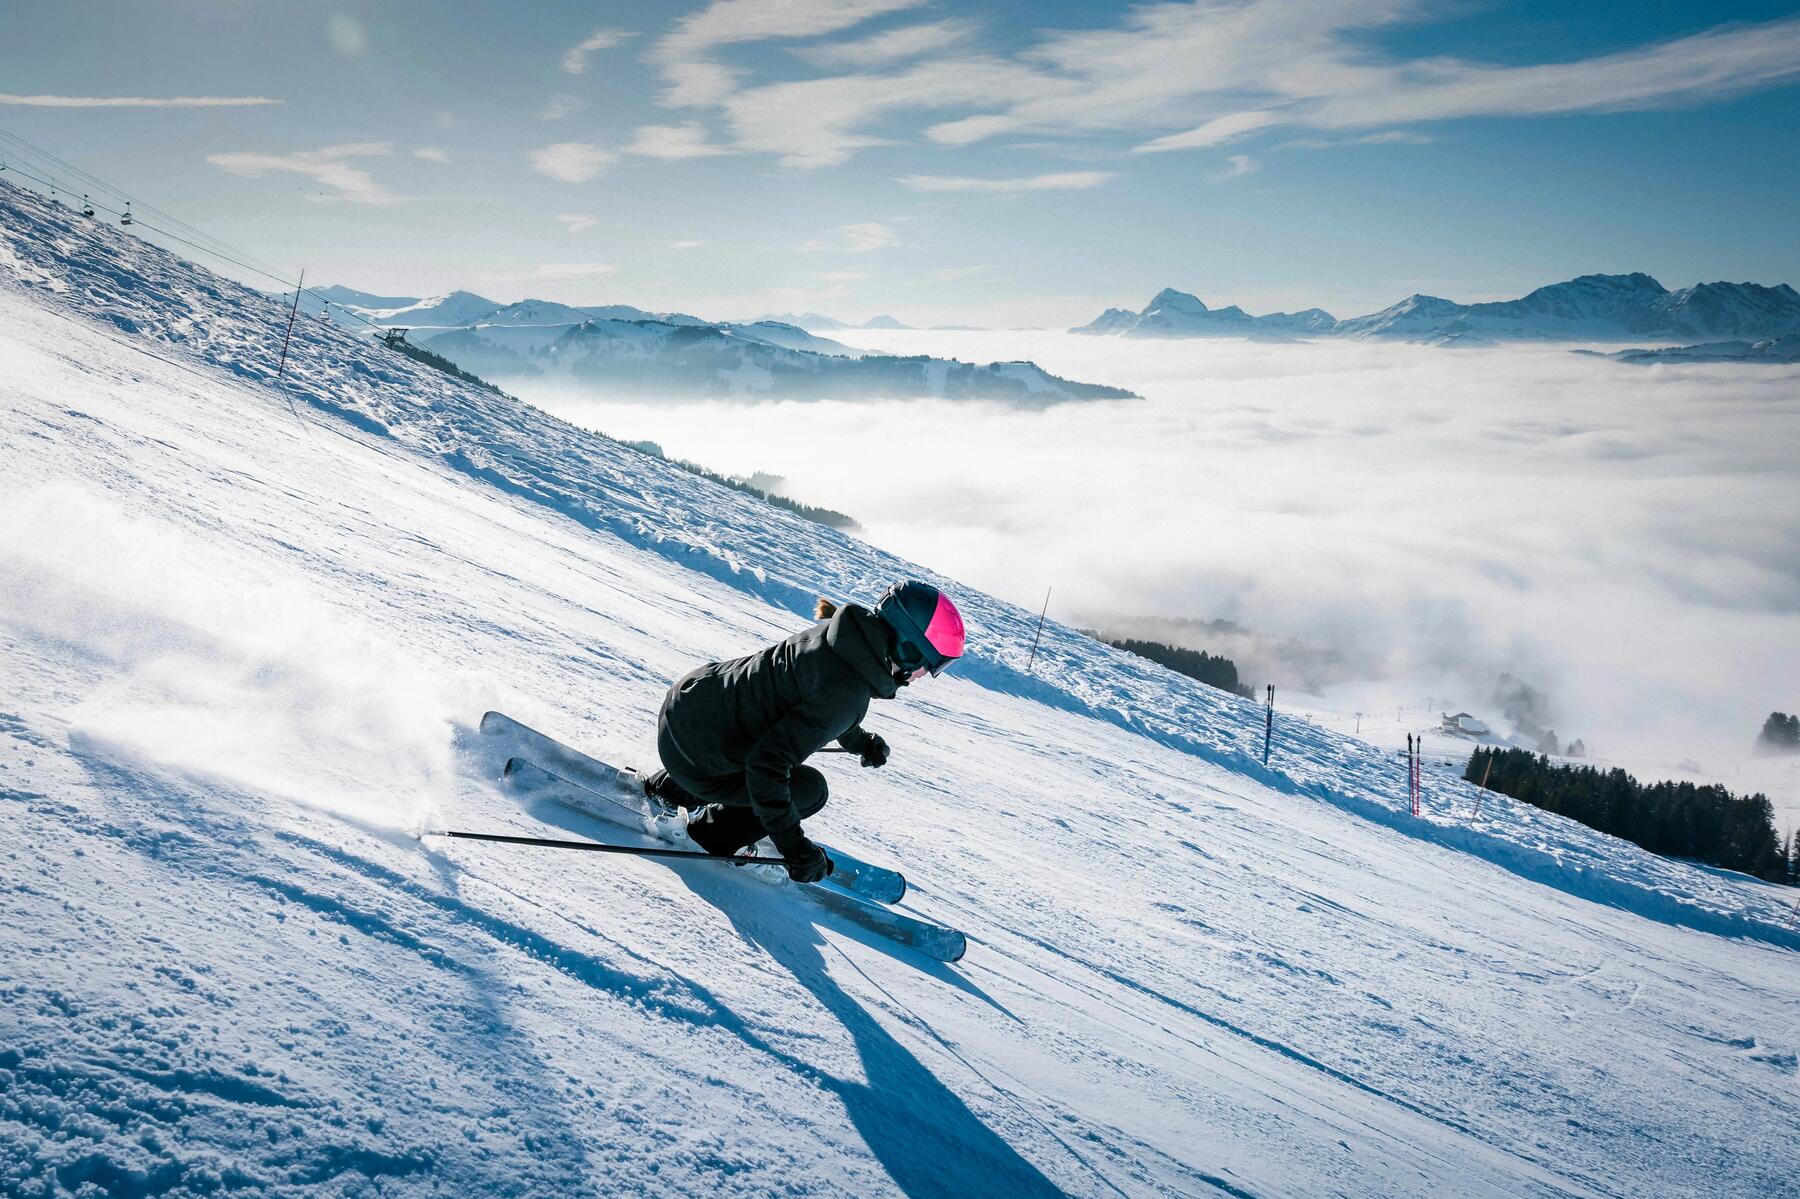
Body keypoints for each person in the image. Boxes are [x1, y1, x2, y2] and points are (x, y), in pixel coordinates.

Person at [642, 580, 966, 882]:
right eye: (930, 664)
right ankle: (709, 835)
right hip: (697, 760)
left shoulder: (838, 635)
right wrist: (795, 850)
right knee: (809, 789)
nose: (925, 675)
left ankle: (672, 790)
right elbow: (766, 768)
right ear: (908, 650)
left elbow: (805, 700)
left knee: (752, 725)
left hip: (684, 713)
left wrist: (859, 741)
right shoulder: (846, 695)